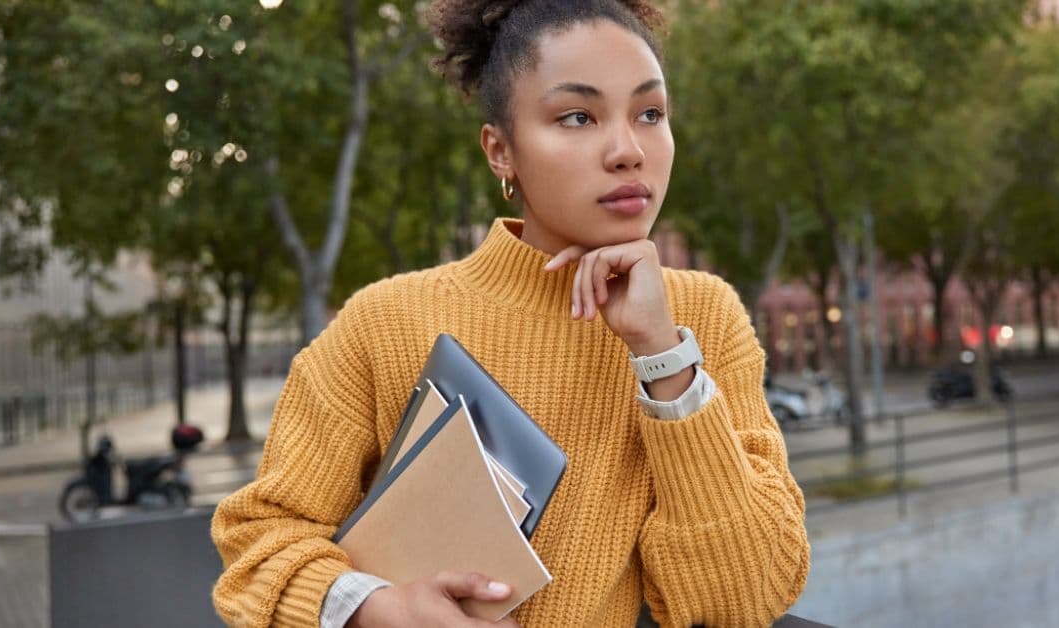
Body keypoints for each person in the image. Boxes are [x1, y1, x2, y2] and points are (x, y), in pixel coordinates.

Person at [210, 1, 810, 626]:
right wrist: (374, 610)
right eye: (577, 116)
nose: (629, 150)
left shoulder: (702, 319)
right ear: (501, 151)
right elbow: (258, 545)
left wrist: (663, 357)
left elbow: (743, 597)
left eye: (650, 113)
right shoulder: (383, 322)